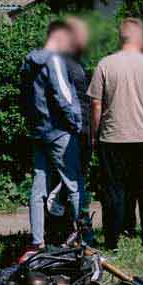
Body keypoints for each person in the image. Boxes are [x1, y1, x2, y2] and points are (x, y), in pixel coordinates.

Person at [87, 18, 143, 249]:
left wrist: (95, 134)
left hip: (112, 137)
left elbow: (95, 104)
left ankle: (112, 241)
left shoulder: (105, 65)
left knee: (113, 191)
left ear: (120, 36)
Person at [19, 18, 84, 250]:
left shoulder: (28, 61)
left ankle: (37, 241)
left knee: (38, 190)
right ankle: (83, 239)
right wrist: (76, 124)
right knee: (74, 184)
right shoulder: (54, 60)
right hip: (59, 132)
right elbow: (64, 97)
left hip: (38, 132)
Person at [59, 16, 94, 242]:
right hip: (77, 129)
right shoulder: (70, 66)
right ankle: (80, 230)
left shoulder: (70, 65)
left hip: (79, 128)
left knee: (73, 181)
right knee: (75, 182)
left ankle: (75, 227)